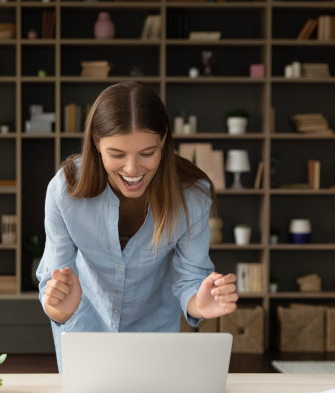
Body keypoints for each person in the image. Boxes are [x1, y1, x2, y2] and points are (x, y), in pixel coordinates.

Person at [36, 81, 238, 369]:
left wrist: (199, 304)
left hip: (154, 338)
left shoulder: (192, 196)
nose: (132, 170)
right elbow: (52, 280)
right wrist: (57, 306)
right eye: (117, 154)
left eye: (147, 153)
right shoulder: (64, 192)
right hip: (84, 330)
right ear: (96, 142)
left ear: (164, 139)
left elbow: (190, 279)